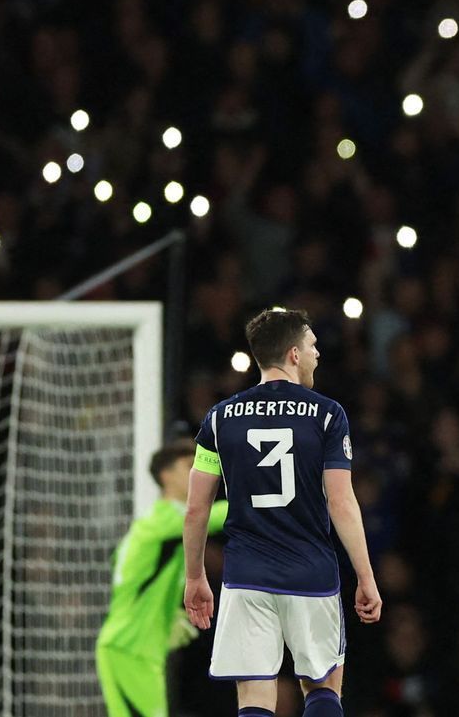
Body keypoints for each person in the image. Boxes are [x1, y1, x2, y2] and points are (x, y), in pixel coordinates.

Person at [183, 307, 382, 717]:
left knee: (255, 700)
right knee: (323, 687)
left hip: (246, 577)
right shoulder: (328, 415)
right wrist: (365, 575)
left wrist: (195, 575)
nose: (317, 354)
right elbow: (341, 501)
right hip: (310, 572)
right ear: (293, 354)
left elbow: (196, 508)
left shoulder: (218, 420)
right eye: (312, 346)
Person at [97, 444, 231, 717]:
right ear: (166, 476)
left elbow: (132, 579)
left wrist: (165, 616)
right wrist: (265, 495)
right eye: (189, 466)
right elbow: (215, 517)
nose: (199, 473)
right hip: (131, 648)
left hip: (133, 647)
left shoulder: (154, 526)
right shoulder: (164, 521)